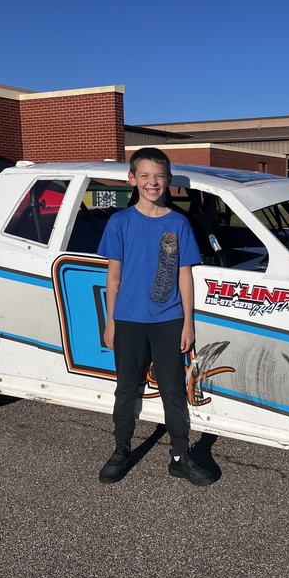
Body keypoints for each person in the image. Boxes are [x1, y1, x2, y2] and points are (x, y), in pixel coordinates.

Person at [96, 147, 215, 486]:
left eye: (159, 176)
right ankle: (121, 448)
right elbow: (114, 279)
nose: (152, 182)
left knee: (174, 390)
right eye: (145, 176)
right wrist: (111, 321)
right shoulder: (119, 222)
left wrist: (188, 322)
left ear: (169, 181)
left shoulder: (178, 223)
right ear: (132, 179)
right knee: (126, 387)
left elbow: (184, 276)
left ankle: (180, 455)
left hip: (168, 321)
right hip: (129, 320)